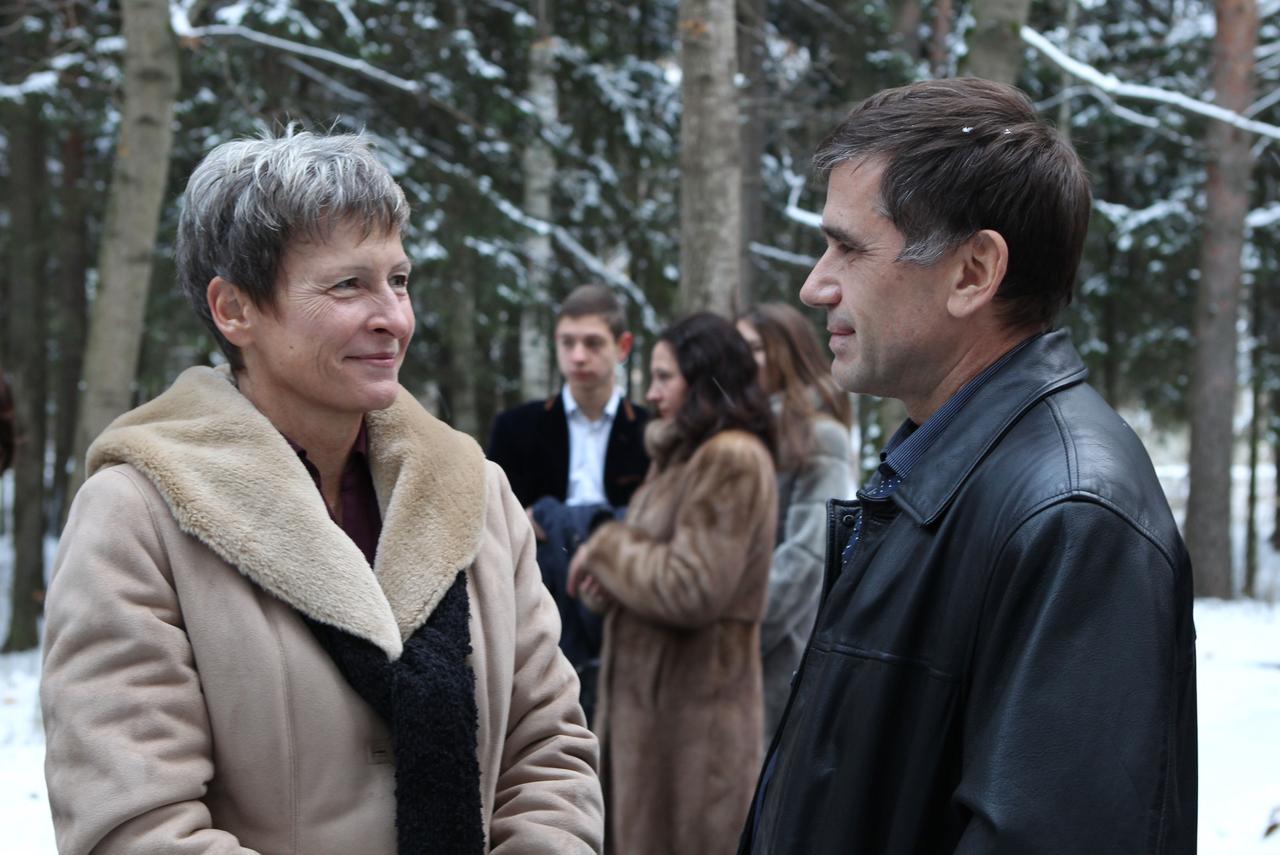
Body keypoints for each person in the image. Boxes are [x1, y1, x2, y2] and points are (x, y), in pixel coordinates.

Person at [41, 131, 603, 855]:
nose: (393, 318)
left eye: (398, 280)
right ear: (234, 309)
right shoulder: (137, 514)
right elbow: (133, 823)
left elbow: (550, 751)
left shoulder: (477, 493)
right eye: (348, 285)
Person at [740, 79, 1196, 853]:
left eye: (848, 246)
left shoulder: (1073, 515)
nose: (815, 284)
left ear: (974, 272)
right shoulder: (950, 470)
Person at [567, 312, 778, 855]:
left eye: (664, 377)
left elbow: (692, 586)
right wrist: (605, 582)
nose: (651, 392)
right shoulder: (679, 460)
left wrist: (605, 548)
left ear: (704, 379)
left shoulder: (731, 458)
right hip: (651, 727)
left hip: (694, 735)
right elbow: (646, 571)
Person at [486, 284, 650, 722]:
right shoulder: (516, 429)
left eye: (592, 343)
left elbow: (653, 526)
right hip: (541, 599)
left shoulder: (652, 432)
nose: (578, 356)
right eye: (568, 343)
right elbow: (502, 522)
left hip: (627, 597)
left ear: (623, 346)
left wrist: (553, 519)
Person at [736, 303, 853, 747]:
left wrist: (732, 633)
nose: (738, 361)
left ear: (785, 354)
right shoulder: (739, 432)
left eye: (752, 349)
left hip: (775, 653)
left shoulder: (821, 436)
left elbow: (806, 559)